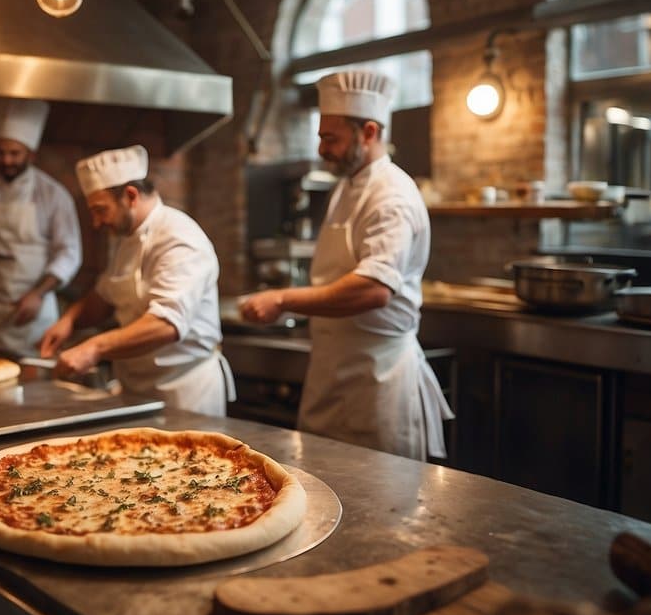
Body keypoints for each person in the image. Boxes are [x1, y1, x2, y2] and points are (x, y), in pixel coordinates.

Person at [239, 70, 452, 460]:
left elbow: (373, 289)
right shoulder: (348, 185)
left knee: (384, 507)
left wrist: (284, 299)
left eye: (330, 138)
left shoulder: (391, 196)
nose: (322, 149)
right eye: (322, 137)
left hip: (377, 379)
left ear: (369, 132)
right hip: (333, 369)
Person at [40, 145, 234, 416]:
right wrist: (70, 320)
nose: (96, 223)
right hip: (136, 390)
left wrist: (94, 348)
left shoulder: (178, 238)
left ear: (130, 196)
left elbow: (166, 324)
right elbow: (105, 295)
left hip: (184, 393)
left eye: (100, 210)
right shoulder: (127, 240)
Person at [0, 99, 82, 358]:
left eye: (14, 153)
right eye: (0, 153)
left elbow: (69, 253)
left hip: (36, 308)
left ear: (31, 155)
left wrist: (37, 294)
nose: (6, 160)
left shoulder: (54, 195)